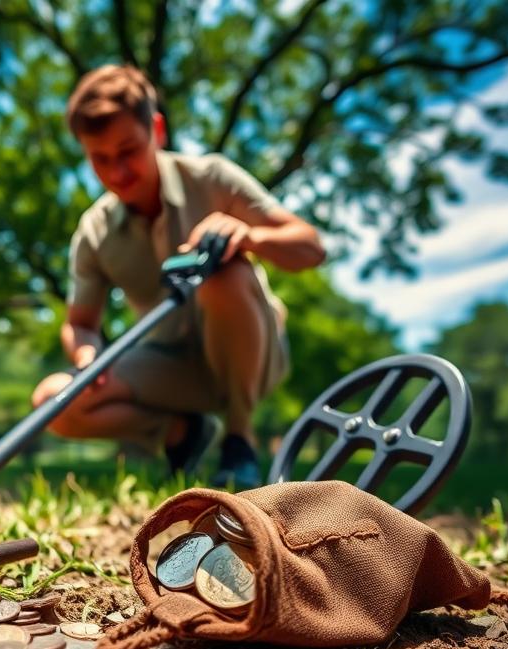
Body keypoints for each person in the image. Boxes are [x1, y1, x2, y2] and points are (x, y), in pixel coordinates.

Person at [31, 64, 325, 488]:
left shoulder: (211, 177)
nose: (118, 173)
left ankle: (239, 441)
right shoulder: (94, 231)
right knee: (53, 401)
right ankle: (183, 434)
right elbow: (80, 324)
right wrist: (87, 358)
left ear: (157, 129)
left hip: (251, 358)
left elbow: (312, 247)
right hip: (170, 365)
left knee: (225, 273)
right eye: (100, 159)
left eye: (129, 151)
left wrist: (249, 236)